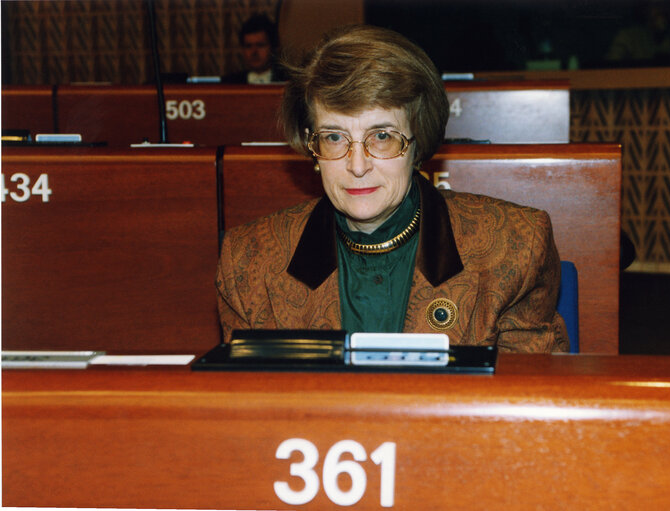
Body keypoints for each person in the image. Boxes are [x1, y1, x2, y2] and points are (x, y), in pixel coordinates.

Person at [216, 25, 568, 353]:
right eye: (335, 137)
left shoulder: (515, 248)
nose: (356, 165)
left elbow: (523, 407)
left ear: (418, 141)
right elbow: (252, 412)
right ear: (312, 146)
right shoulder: (248, 263)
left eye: (382, 136)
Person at [605, 0, 670, 62]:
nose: (662, 10)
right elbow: (610, 66)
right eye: (657, 5)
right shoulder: (627, 36)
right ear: (645, 8)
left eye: (666, 4)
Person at [223, 14, 284, 84]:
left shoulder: (288, 82)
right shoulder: (229, 83)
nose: (254, 52)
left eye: (260, 45)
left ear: (273, 47)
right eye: (248, 46)